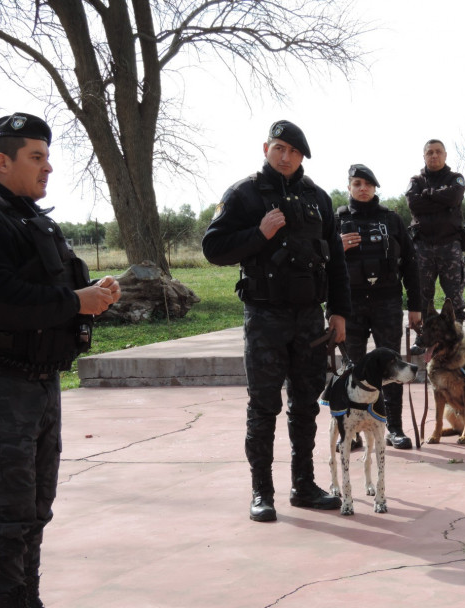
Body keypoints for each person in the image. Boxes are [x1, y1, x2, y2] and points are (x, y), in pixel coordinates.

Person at [0, 113, 121, 608]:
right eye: (36, 157)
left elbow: (47, 292)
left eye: (47, 156)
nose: (48, 168)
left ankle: (28, 600)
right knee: (5, 515)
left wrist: (92, 296)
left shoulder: (31, 220)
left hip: (38, 383)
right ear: (3, 161)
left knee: (35, 510)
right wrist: (73, 302)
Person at [202, 119, 351, 522]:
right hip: (265, 318)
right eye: (279, 149)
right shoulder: (245, 194)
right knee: (263, 406)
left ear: (302, 156)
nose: (286, 157)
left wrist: (339, 312)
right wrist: (259, 233)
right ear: (265, 148)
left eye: (294, 151)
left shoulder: (318, 198)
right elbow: (212, 247)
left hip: (309, 320)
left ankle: (303, 484)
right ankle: (261, 492)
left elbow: (336, 261)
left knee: (305, 406)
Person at [338, 163, 422, 449]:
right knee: (352, 369)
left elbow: (411, 264)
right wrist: (337, 247)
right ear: (349, 186)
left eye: (368, 184)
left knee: (393, 367)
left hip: (386, 302)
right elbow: (321, 263)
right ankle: (352, 433)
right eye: (357, 183)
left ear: (375, 188)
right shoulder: (336, 220)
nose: (363, 189)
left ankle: (394, 428)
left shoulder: (392, 219)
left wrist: (415, 305)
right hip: (350, 305)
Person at [405, 139, 465, 355]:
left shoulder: (455, 179)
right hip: (422, 247)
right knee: (423, 296)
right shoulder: (416, 181)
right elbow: (413, 203)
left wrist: (429, 195)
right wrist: (441, 199)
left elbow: (455, 196)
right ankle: (422, 339)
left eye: (438, 152)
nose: (434, 155)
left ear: (445, 155)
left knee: (454, 296)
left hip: (449, 245)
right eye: (430, 152)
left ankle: (457, 336)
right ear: (424, 156)